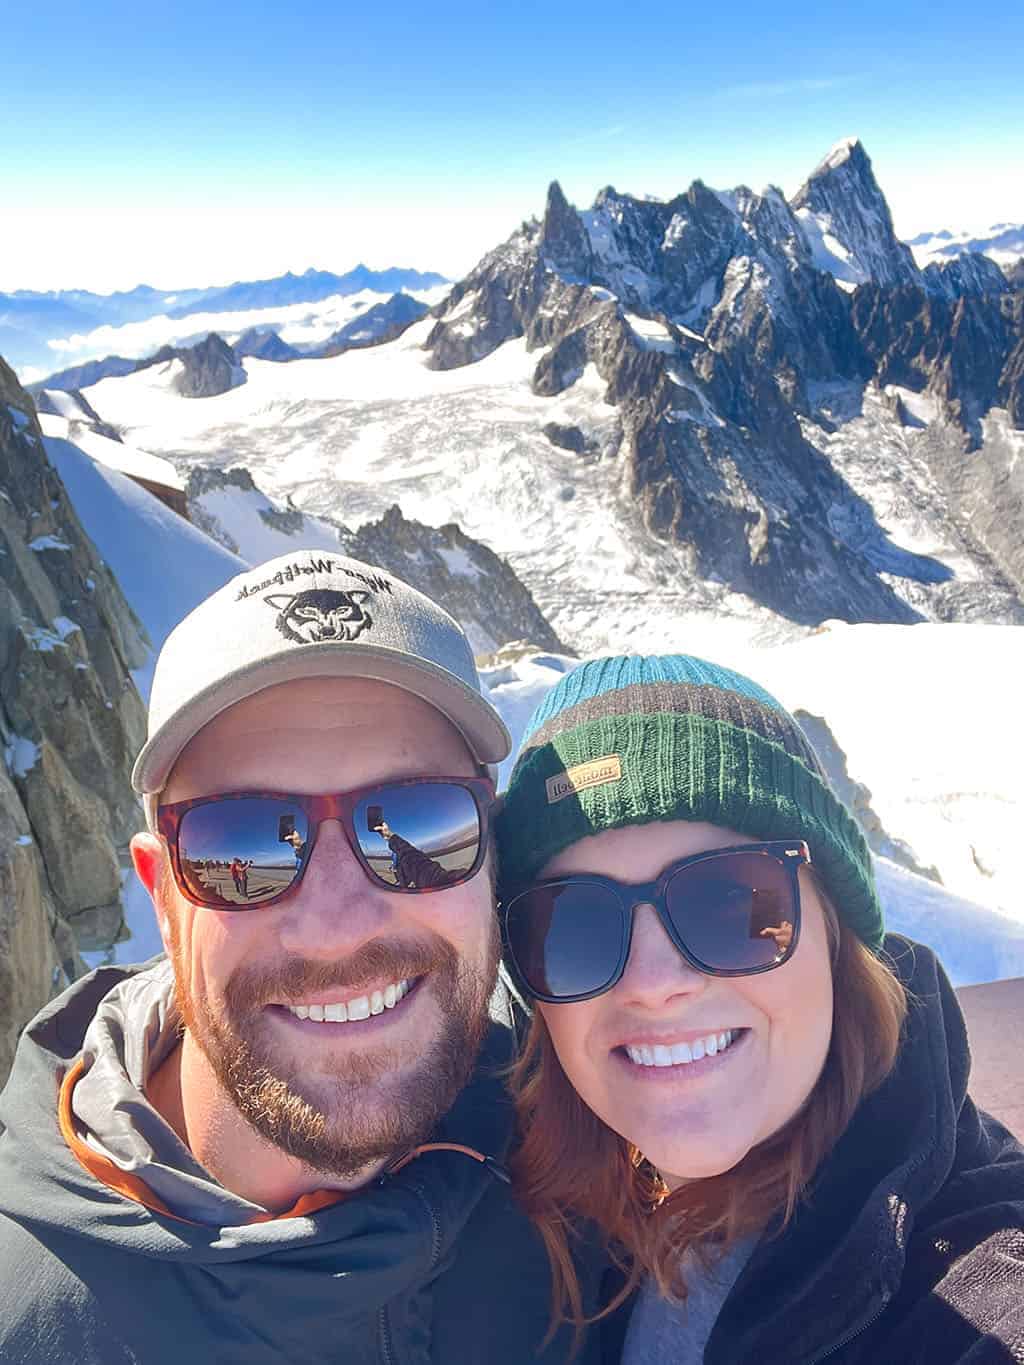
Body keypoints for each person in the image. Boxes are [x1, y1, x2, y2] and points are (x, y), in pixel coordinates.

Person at [0, 551, 605, 1364]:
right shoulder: (32, 1320)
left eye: (416, 826)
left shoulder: (593, 1153)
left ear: (490, 850)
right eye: (243, 843)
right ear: (163, 897)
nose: (337, 926)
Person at [496, 654, 1024, 1363]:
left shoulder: (975, 1300)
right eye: (574, 926)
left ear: (837, 934)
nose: (653, 982)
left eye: (731, 902)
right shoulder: (563, 1219)